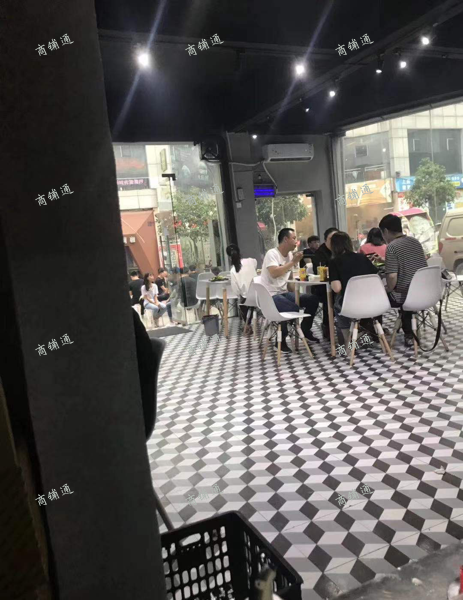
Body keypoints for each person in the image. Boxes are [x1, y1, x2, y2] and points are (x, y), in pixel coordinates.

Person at [261, 228, 319, 353]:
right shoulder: (272, 254)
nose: (296, 241)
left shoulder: (290, 255)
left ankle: (305, 329)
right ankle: (280, 340)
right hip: (270, 295)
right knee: (292, 308)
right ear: (285, 239)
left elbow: (290, 279)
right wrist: (293, 262)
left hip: (284, 293)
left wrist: (297, 294)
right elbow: (274, 273)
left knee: (312, 299)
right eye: (294, 238)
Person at [379, 214, 427, 347]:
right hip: (424, 293)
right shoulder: (415, 242)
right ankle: (408, 332)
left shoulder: (392, 247)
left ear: (386, 231)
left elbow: (392, 276)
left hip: (406, 296)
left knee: (377, 296)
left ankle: (375, 334)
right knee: (405, 290)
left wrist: (388, 288)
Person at [329, 232, 378, 346]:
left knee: (337, 305)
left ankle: (348, 342)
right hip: (372, 303)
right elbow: (375, 277)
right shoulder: (362, 257)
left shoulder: (334, 262)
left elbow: (337, 288)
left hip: (351, 305)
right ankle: (365, 334)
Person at [311, 227, 338, 339]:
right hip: (323, 286)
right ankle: (327, 325)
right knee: (331, 295)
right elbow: (318, 271)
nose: (334, 241)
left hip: (338, 283)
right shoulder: (320, 253)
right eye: (331, 238)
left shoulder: (340, 250)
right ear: (325, 239)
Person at [226, 244, 257, 326]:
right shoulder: (251, 261)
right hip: (260, 296)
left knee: (242, 299)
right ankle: (251, 322)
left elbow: (236, 291)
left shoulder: (233, 270)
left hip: (247, 299)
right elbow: (255, 263)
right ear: (239, 252)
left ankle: (248, 324)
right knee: (248, 298)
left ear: (229, 257)